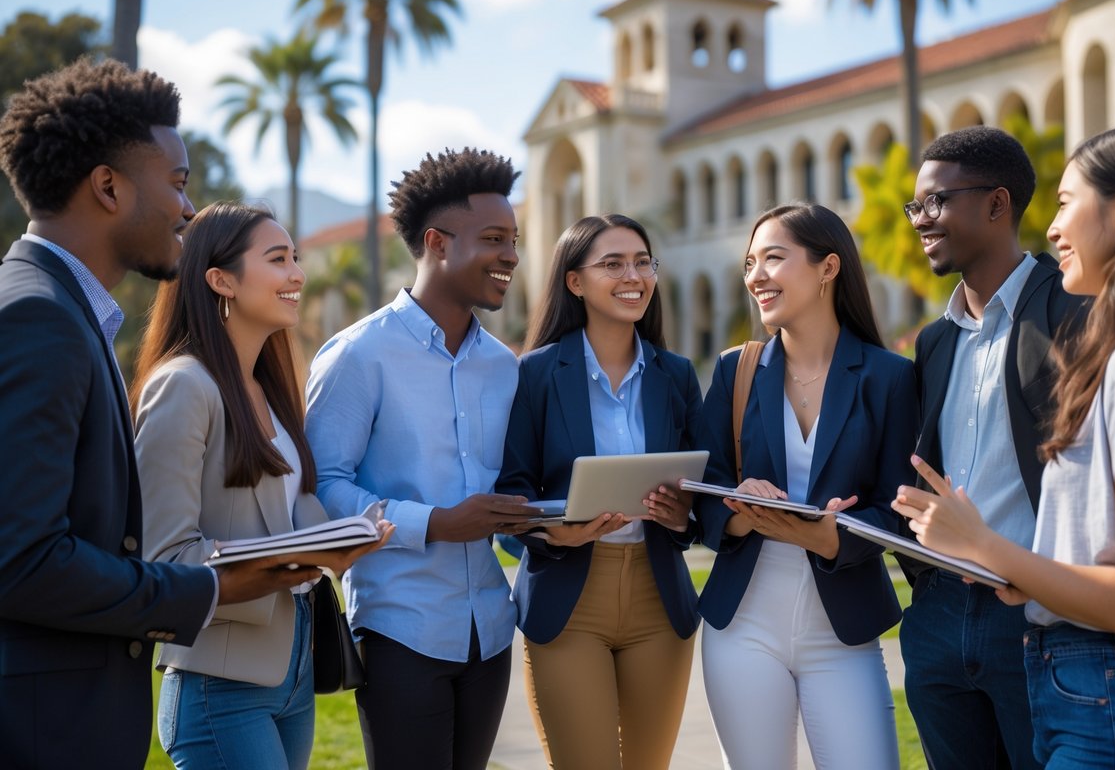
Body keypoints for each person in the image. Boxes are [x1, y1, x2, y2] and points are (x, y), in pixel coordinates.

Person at [0, 58, 320, 769]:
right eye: (176, 184)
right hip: (41, 726)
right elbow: (20, 559)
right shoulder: (37, 317)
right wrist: (206, 587)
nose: (185, 208)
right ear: (109, 187)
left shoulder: (61, 312)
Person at [896, 123, 1115, 768]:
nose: (1052, 226)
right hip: (1079, 674)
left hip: (1111, 687)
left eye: (1067, 202)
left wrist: (988, 548)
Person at [131, 202, 391, 768]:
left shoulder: (268, 391)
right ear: (220, 279)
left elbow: (292, 512)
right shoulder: (183, 387)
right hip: (219, 682)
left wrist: (347, 538)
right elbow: (167, 557)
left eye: (295, 257)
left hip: (294, 669)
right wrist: (287, 560)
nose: (297, 273)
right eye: (278, 259)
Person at [305, 147, 539, 769]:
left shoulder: (503, 366)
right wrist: (434, 523)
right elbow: (322, 488)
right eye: (494, 238)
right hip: (397, 631)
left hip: (489, 631)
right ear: (436, 242)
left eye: (514, 239)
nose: (511, 255)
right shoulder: (358, 355)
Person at [694, 203, 916, 769]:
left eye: (774, 257)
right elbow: (705, 492)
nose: (755, 276)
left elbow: (901, 511)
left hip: (842, 634)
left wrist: (832, 539)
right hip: (742, 628)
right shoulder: (734, 371)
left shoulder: (889, 378)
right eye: (750, 263)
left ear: (828, 267)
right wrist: (744, 511)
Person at [899, 125, 1087, 770]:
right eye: (916, 206)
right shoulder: (933, 342)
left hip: (1036, 615)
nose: (922, 220)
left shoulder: (1076, 309)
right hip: (940, 618)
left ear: (998, 204)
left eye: (937, 202)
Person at [497, 214, 702, 770]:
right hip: (568, 601)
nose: (632, 275)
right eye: (612, 264)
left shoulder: (677, 375)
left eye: (642, 262)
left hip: (658, 598)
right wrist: (553, 532)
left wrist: (684, 516)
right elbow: (511, 489)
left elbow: (706, 493)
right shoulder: (535, 375)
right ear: (575, 281)